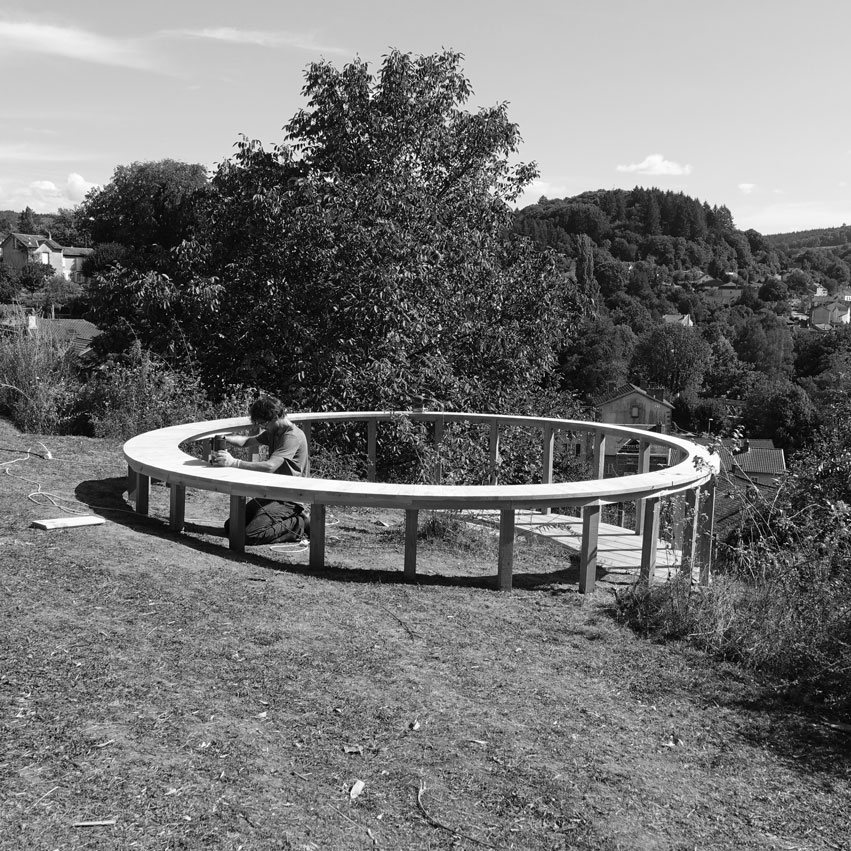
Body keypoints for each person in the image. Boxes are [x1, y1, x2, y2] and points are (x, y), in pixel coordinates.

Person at [211, 395, 310, 545]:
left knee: (249, 536)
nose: (262, 427)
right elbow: (247, 441)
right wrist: (225, 438)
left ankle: (300, 524)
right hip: (272, 492)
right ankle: (285, 521)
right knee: (231, 526)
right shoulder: (274, 431)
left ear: (276, 416)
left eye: (263, 424)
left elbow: (270, 466)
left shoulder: (291, 437)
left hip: (289, 498)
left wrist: (234, 462)